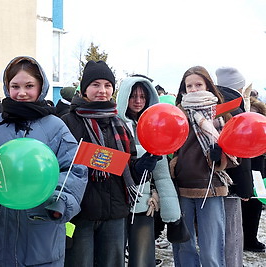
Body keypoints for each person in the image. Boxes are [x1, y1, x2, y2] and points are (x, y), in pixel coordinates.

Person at [0, 56, 88, 267]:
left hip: (41, 234)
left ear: (41, 87)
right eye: (15, 86)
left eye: (29, 86)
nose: (22, 92)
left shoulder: (55, 126)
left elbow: (75, 169)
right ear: (7, 88)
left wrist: (59, 200)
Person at [62, 60, 160, 267]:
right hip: (81, 213)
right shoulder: (68, 122)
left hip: (115, 213)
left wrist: (143, 165)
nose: (102, 91)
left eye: (107, 85)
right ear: (83, 89)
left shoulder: (120, 125)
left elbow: (128, 168)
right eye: (95, 84)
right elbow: (62, 166)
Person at [170, 66, 238, 267]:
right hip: (182, 188)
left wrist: (220, 157)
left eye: (198, 84)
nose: (194, 89)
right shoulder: (177, 115)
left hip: (211, 188)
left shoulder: (220, 115)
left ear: (208, 85)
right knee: (185, 247)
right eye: (189, 86)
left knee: (211, 250)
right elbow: (171, 149)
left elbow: (235, 154)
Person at [116, 75, 181, 267]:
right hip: (118, 200)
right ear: (124, 97)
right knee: (115, 254)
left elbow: (161, 173)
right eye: (133, 96)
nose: (137, 101)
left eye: (142, 97)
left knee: (143, 257)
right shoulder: (115, 124)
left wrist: (172, 211)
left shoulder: (154, 125)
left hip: (145, 203)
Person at [215, 66, 254, 265]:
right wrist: (246, 187)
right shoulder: (236, 110)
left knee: (218, 235)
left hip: (212, 182)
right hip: (231, 185)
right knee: (232, 233)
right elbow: (242, 154)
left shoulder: (213, 105)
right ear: (238, 88)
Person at [241, 96, 266, 252]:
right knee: (244, 206)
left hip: (259, 172)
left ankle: (251, 238)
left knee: (255, 206)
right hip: (245, 170)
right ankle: (244, 239)